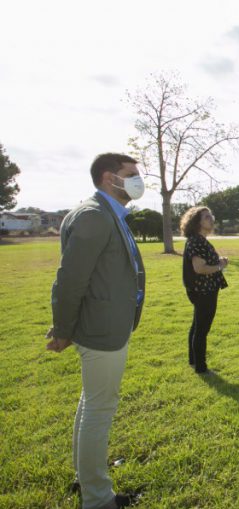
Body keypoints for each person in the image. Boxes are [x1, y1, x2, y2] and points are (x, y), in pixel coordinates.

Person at [47, 153, 146, 509]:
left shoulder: (106, 213)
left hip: (105, 325)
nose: (138, 180)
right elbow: (70, 280)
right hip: (102, 329)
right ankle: (98, 498)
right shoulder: (94, 215)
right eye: (131, 174)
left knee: (91, 404)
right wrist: (62, 328)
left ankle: (85, 479)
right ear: (109, 178)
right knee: (99, 409)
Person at [182, 206, 229, 375]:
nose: (211, 220)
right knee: (202, 329)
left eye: (211, 216)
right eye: (207, 217)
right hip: (203, 291)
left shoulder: (199, 240)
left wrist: (218, 263)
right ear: (197, 223)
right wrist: (220, 265)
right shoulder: (197, 241)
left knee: (197, 326)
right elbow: (200, 268)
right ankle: (201, 367)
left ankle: (193, 360)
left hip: (204, 290)